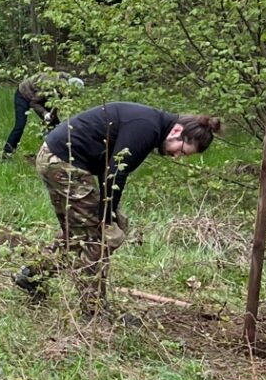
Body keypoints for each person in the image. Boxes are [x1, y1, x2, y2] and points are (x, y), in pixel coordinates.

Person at [15, 103, 222, 302]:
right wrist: (105, 218)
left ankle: (33, 274)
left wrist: (109, 214)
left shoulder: (151, 125)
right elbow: (115, 173)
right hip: (62, 162)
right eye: (181, 150)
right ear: (177, 130)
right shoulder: (148, 128)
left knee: (95, 227)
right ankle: (93, 307)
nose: (176, 156)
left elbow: (109, 167)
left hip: (60, 159)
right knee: (98, 236)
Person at [3, 70, 79, 158]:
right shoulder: (48, 85)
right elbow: (34, 103)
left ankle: (52, 153)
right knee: (20, 125)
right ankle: (7, 152)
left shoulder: (66, 85)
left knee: (55, 125)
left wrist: (52, 116)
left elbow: (56, 104)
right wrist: (45, 113)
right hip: (24, 95)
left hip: (40, 97)